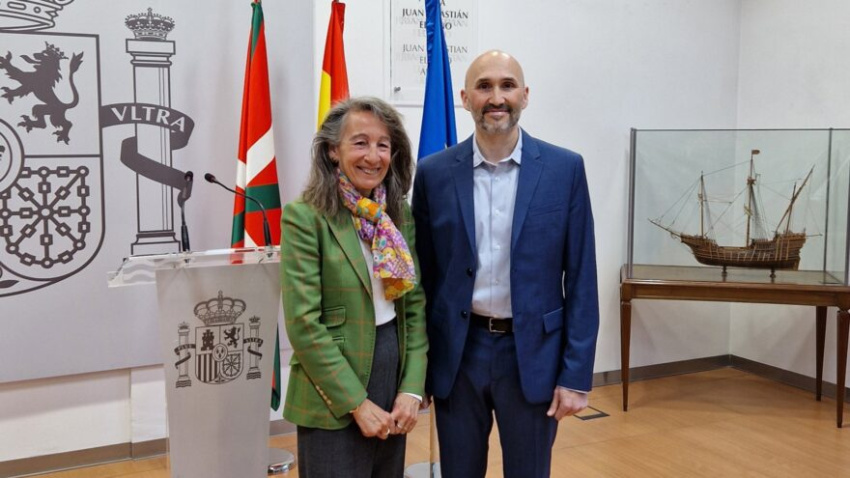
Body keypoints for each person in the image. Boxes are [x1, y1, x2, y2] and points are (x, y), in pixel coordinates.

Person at [412, 50, 600, 478]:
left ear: (525, 95)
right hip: (459, 355)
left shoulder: (564, 169)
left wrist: (576, 375)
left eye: (506, 85)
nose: (496, 97)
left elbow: (583, 278)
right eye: (484, 87)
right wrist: (417, 371)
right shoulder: (434, 174)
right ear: (465, 98)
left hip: (533, 355)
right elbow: (422, 279)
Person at [280, 97, 427, 478]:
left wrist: (411, 389)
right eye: (360, 142)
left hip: (391, 376)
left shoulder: (396, 215)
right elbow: (304, 325)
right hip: (331, 387)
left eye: (383, 144)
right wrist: (356, 404)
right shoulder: (305, 217)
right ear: (333, 150)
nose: (373, 156)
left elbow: (414, 307)